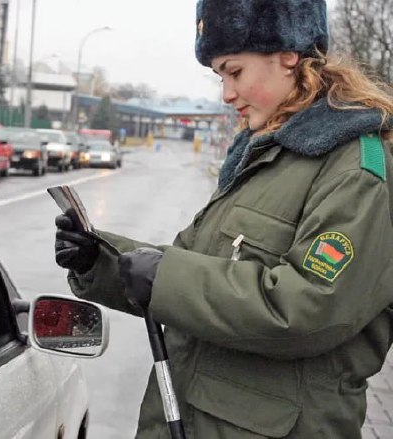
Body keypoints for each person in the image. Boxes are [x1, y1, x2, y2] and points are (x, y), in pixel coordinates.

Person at [54, 0, 393, 437]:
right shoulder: (266, 156)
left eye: (235, 72)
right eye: (220, 76)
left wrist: (163, 278)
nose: (226, 93)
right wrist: (98, 259)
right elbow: (195, 267)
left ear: (288, 56)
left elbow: (308, 309)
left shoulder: (356, 169)